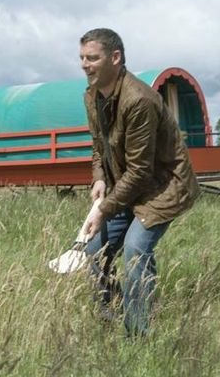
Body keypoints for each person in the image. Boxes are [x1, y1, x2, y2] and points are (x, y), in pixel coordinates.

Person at [79, 28, 199, 337]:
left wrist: (103, 210)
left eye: (92, 58)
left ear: (115, 58)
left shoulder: (139, 100)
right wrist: (99, 177)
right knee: (93, 252)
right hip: (125, 189)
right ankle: (112, 315)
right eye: (82, 58)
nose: (85, 65)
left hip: (162, 188)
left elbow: (141, 171)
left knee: (135, 250)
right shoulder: (92, 95)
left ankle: (138, 333)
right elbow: (98, 145)